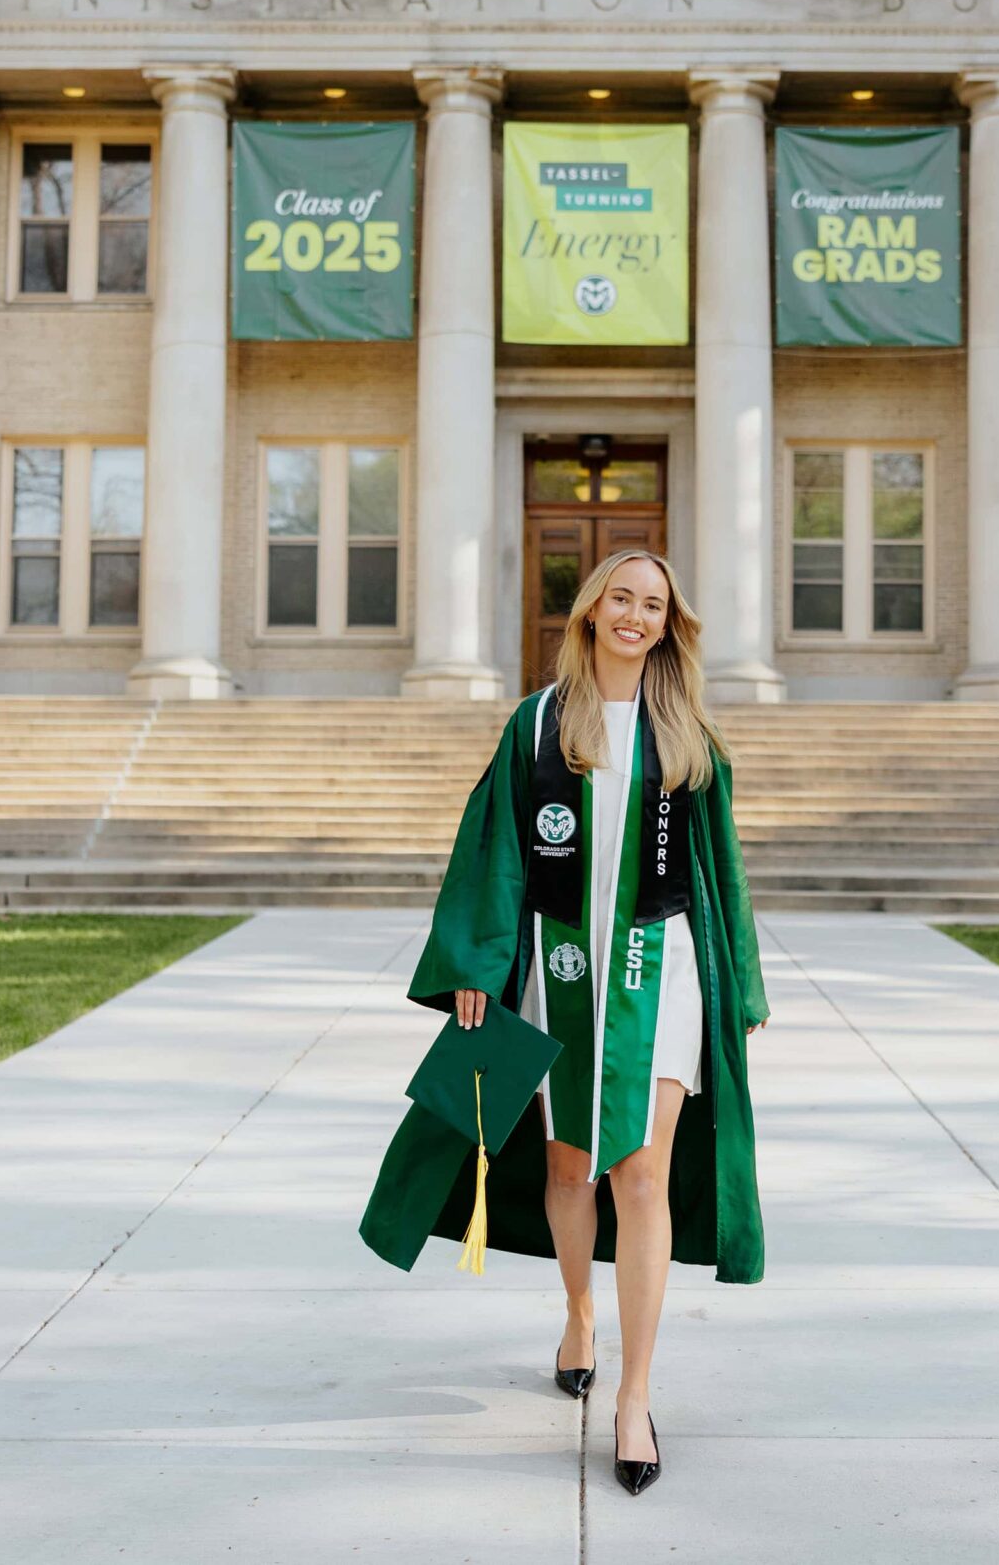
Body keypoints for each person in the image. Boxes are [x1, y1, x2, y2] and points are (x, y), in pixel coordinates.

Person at [358, 546, 768, 1497]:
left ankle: (635, 1395)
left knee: (644, 1172)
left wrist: (736, 992)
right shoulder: (541, 722)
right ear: (590, 613)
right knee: (565, 1164)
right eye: (619, 598)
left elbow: (722, 876)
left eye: (652, 604)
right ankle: (580, 1309)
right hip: (558, 966)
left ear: (670, 624)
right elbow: (494, 843)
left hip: (659, 973)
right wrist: (473, 962)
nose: (634, 615)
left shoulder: (687, 732)